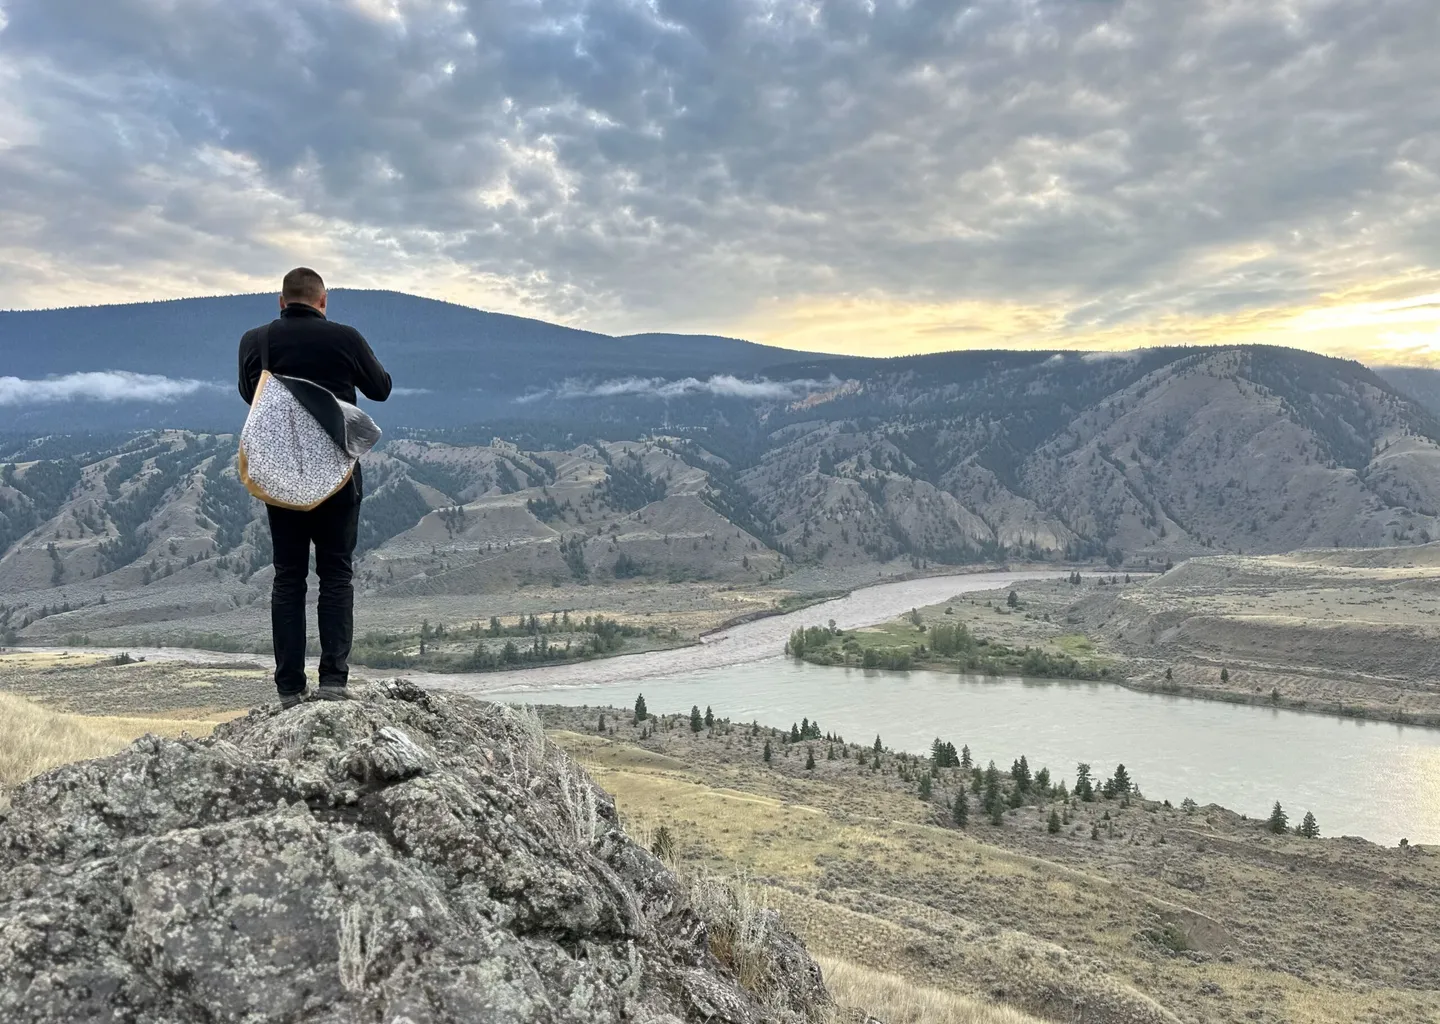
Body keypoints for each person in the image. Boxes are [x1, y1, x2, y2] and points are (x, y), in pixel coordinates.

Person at [238, 268, 392, 708]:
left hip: (281, 472)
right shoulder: (345, 337)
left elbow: (252, 395)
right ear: (323, 301)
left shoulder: (256, 340)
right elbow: (380, 389)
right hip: (338, 477)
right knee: (336, 575)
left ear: (281, 301)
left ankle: (289, 688)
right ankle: (333, 682)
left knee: (288, 578)